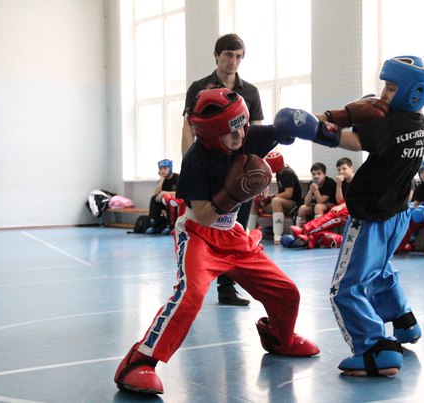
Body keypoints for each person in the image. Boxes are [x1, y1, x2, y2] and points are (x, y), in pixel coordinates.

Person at [114, 88, 319, 395]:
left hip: (233, 234)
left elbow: (286, 127)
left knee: (286, 292)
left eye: (241, 126)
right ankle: (138, 362)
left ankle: (280, 339)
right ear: (209, 134)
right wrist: (237, 192)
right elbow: (205, 216)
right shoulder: (196, 161)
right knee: (191, 295)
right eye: (230, 131)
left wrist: (326, 123)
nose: (239, 135)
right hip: (199, 233)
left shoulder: (246, 134)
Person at [273, 55, 424, 376]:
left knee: (346, 288)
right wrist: (347, 114)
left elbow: (350, 140)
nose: (384, 93)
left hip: (371, 218)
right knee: (379, 270)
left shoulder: (391, 124)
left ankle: (374, 348)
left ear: (413, 92)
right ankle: (404, 321)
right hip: (397, 216)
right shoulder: (420, 124)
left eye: (392, 88)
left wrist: (311, 127)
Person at [181, 33, 264, 305]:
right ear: (216, 55)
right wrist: (188, 165)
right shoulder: (199, 88)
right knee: (200, 224)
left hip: (240, 171)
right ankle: (190, 280)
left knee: (234, 229)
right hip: (208, 167)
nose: (233, 61)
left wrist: (258, 174)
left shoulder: (250, 92)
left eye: (239, 56)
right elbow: (188, 128)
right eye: (228, 55)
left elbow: (256, 134)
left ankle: (227, 287)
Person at [283, 157, 355, 249]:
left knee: (330, 214)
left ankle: (304, 231)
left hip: (350, 209)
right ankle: (309, 239)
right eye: (339, 170)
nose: (341, 172)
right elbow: (340, 201)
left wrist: (341, 206)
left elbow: (355, 200)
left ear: (351, 168)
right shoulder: (342, 182)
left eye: (344, 169)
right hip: (343, 207)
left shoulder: (357, 181)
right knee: (305, 209)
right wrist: (339, 185)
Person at [246, 151, 303, 244]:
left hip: (294, 205)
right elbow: (281, 194)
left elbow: (288, 194)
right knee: (255, 203)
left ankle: (277, 236)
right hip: (283, 202)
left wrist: (272, 198)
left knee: (276, 201)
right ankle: (250, 234)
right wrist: (268, 198)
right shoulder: (279, 173)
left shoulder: (287, 172)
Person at [296, 162, 337, 227]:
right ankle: (299, 229)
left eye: (319, 173)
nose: (316, 176)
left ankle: (317, 230)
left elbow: (321, 201)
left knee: (318, 207)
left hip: (330, 204)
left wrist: (316, 190)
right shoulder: (311, 183)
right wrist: (310, 190)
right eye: (313, 174)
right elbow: (306, 203)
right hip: (316, 204)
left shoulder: (330, 182)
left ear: (324, 174)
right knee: (302, 208)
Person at [146, 159, 182, 235]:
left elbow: (180, 193)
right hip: (165, 202)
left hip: (176, 202)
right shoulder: (162, 180)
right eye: (161, 168)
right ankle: (154, 224)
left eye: (165, 168)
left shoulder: (178, 178)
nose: (162, 170)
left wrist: (164, 193)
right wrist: (162, 179)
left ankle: (171, 226)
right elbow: (156, 193)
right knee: (154, 199)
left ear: (170, 168)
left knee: (168, 199)